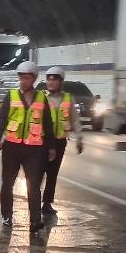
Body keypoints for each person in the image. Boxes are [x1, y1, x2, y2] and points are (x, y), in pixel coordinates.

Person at [0, 61, 56, 233]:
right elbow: (1, 119)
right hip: (12, 148)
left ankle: (35, 221)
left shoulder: (42, 98)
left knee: (33, 185)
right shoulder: (11, 96)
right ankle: (7, 216)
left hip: (34, 149)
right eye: (21, 78)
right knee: (8, 184)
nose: (24, 81)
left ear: (34, 79)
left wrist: (51, 147)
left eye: (27, 78)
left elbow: (48, 124)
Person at [41, 66, 83, 214]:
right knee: (38, 173)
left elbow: (75, 120)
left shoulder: (68, 99)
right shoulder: (42, 98)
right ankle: (34, 201)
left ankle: (46, 203)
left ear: (61, 82)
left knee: (52, 173)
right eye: (49, 79)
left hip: (59, 141)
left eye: (54, 80)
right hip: (42, 141)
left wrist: (79, 138)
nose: (50, 82)